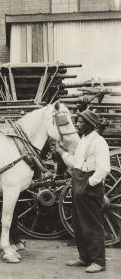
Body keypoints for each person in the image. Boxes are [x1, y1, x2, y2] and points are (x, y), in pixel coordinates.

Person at [56, 110, 109, 273]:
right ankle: (85, 257)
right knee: (79, 223)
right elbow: (75, 163)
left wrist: (90, 183)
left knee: (93, 223)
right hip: (78, 181)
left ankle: (99, 261)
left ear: (90, 125)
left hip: (89, 185)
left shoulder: (99, 142)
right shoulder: (84, 140)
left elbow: (104, 169)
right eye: (78, 121)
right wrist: (62, 153)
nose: (77, 124)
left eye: (80, 122)